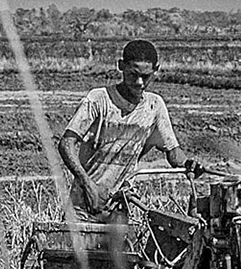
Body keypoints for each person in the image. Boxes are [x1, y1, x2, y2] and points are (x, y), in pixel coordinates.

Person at [59, 38, 197, 221]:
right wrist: (88, 185)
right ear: (121, 66)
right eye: (133, 74)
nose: (139, 82)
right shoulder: (99, 100)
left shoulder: (154, 106)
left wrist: (189, 164)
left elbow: (173, 153)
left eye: (146, 76)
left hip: (119, 204)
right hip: (84, 205)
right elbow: (66, 143)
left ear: (156, 69)